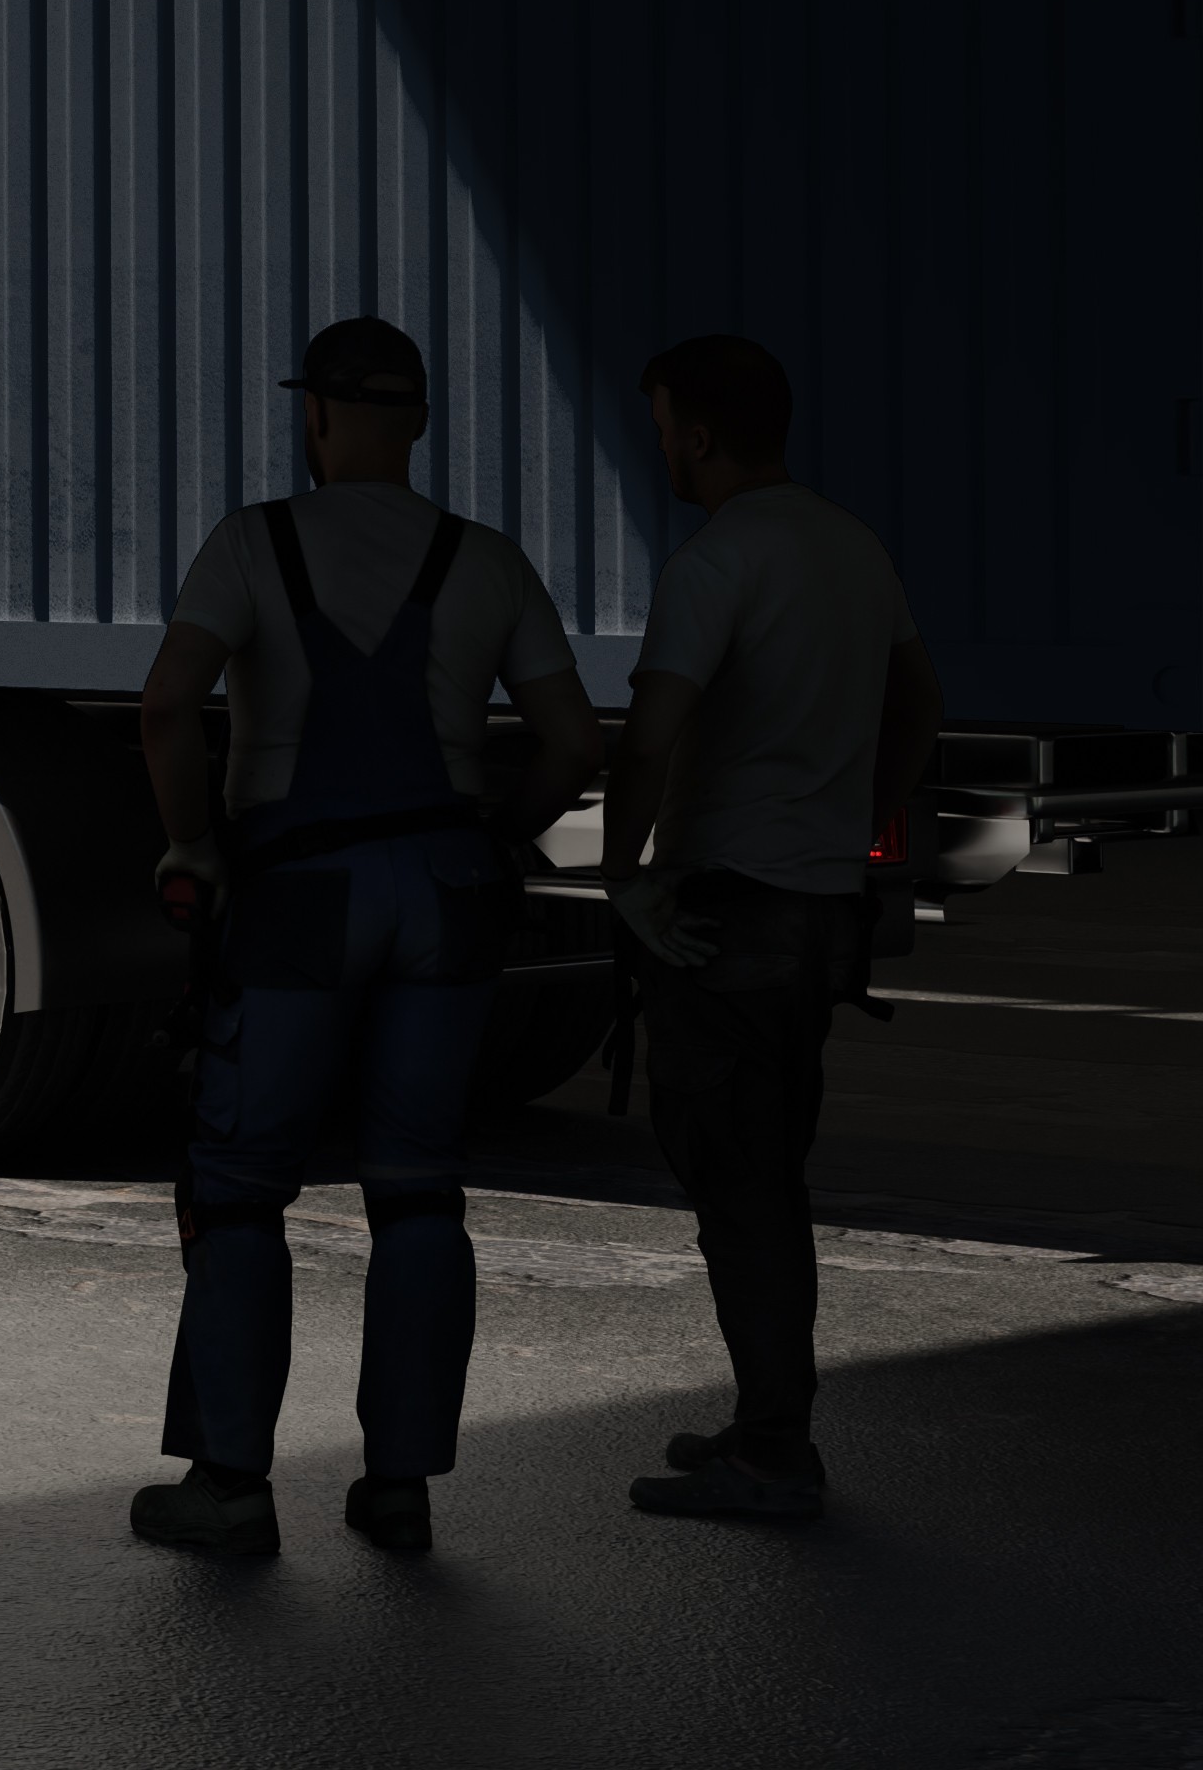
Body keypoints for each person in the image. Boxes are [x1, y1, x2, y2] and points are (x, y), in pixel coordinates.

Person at [128, 317, 602, 1559]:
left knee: (240, 1192)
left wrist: (191, 843)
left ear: (316, 415)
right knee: (416, 1189)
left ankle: (230, 1487)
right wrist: (496, 834)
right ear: (420, 423)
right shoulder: (485, 561)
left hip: (297, 893)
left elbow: (168, 704)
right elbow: (570, 740)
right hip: (443, 891)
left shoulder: (252, 543)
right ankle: (398, 1489)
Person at [607, 334, 942, 1521]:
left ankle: (771, 1455)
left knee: (735, 1181)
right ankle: (764, 1421)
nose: (659, 447)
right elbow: (918, 703)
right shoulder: (850, 546)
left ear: (698, 435)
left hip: (729, 911)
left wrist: (622, 878)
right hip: (815, 912)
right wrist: (857, 814)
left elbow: (649, 737)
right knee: (768, 1171)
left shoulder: (715, 561)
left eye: (663, 427)